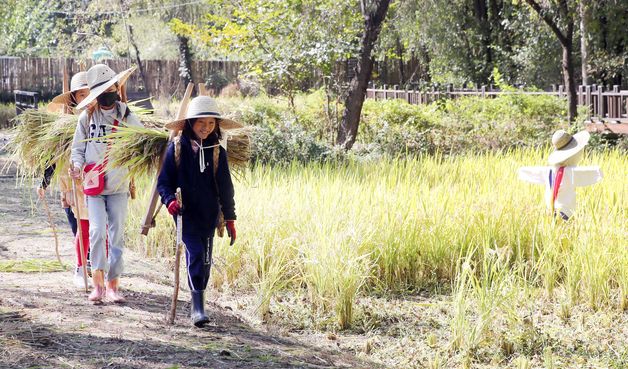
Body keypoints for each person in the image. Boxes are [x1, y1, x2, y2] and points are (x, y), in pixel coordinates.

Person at [157, 96, 238, 327]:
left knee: (206, 259)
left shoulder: (217, 153)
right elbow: (164, 182)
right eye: (201, 123)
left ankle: (199, 300)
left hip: (209, 216)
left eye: (211, 123)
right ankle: (197, 310)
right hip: (185, 215)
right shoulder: (177, 148)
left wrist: (230, 218)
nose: (206, 128)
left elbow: (226, 187)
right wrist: (170, 201)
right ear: (191, 123)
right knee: (194, 254)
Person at [69, 64, 142, 303]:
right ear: (96, 94)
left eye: (111, 88)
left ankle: (113, 286)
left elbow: (141, 143)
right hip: (94, 186)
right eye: (102, 91)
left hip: (119, 185)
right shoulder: (87, 117)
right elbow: (78, 150)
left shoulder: (127, 115)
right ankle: (98, 285)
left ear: (117, 88)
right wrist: (77, 167)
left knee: (117, 235)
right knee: (98, 231)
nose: (108, 93)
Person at [38, 71, 92, 287]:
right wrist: (44, 183)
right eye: (81, 95)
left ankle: (90, 263)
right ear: (73, 99)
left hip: (93, 181)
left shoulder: (99, 119)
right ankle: (81, 264)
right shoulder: (62, 126)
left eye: (90, 94)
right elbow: (51, 157)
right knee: (77, 224)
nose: (87, 99)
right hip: (69, 183)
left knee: (93, 225)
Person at [518, 130, 603, 220]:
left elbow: (531, 172)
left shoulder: (548, 171)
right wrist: (599, 171)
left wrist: (521, 171)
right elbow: (593, 173)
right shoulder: (571, 172)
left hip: (550, 210)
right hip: (566, 212)